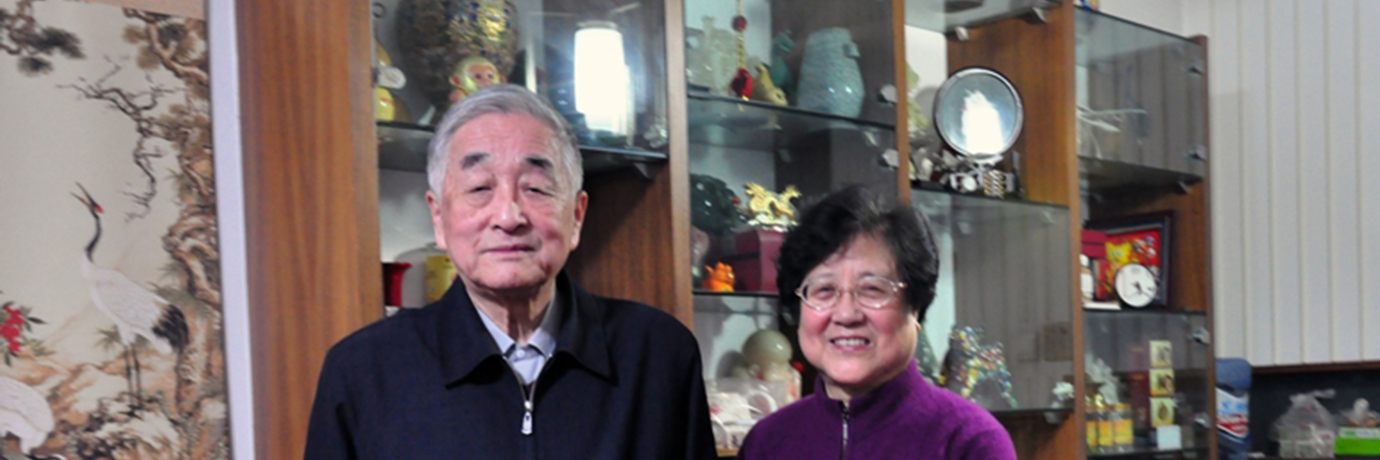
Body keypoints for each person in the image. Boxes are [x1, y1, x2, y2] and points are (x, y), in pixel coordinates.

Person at [305, 84, 716, 459]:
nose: (508, 216)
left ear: (576, 216)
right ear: (439, 217)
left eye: (535, 188)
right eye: (480, 188)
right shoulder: (362, 372)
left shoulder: (658, 355)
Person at [736, 186, 1016, 459]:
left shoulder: (969, 441)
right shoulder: (766, 443)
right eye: (824, 290)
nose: (846, 314)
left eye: (872, 289)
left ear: (915, 307)